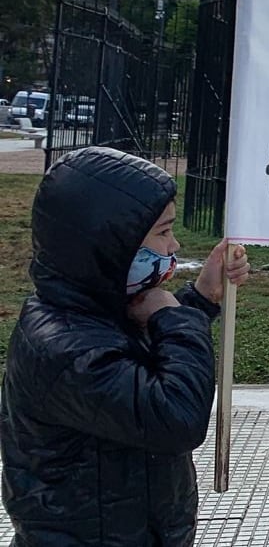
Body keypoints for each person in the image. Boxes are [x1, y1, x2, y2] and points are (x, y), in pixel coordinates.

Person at [1, 146, 251, 546]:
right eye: (164, 232)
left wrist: (201, 298)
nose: (174, 248)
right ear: (111, 242)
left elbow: (139, 361)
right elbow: (175, 416)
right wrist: (176, 318)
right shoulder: (64, 349)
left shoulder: (97, 309)